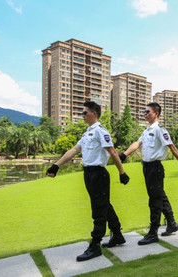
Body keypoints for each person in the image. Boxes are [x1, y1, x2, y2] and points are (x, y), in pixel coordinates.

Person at [46, 101, 130, 262]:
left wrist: (122, 172)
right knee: (104, 204)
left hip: (99, 174)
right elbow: (74, 150)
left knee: (98, 210)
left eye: (85, 113)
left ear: (94, 114)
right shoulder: (87, 133)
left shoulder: (100, 132)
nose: (82, 115)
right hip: (88, 174)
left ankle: (95, 245)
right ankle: (117, 235)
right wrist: (56, 165)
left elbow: (112, 152)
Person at [119, 102, 178, 245]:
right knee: (160, 196)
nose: (144, 114)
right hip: (147, 167)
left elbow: (172, 147)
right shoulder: (146, 130)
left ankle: (153, 233)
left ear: (156, 114)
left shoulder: (160, 130)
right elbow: (137, 143)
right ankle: (171, 223)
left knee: (154, 201)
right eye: (144, 112)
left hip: (155, 168)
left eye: (147, 112)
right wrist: (124, 154)